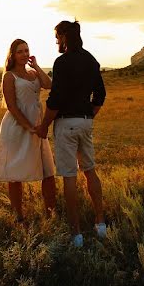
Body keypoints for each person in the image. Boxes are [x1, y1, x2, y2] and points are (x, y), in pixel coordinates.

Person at [35, 20, 106, 247]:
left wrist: (44, 124)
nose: (56, 40)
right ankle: (101, 223)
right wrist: (88, 115)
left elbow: (55, 100)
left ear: (64, 36)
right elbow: (100, 94)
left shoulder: (62, 62)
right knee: (90, 171)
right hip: (85, 122)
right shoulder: (91, 59)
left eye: (57, 36)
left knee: (70, 177)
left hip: (66, 124)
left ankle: (76, 234)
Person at [0, 39, 56, 221]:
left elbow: (49, 84)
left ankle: (51, 213)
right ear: (13, 55)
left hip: (37, 127)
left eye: (27, 51)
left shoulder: (33, 73)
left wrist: (36, 65)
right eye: (20, 51)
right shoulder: (9, 76)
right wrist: (28, 127)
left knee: (48, 171)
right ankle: (18, 216)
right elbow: (12, 106)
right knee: (15, 173)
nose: (24, 54)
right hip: (17, 128)